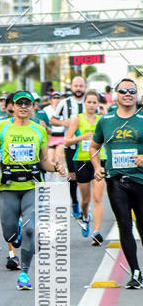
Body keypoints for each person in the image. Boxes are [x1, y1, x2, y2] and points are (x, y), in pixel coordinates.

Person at [0, 90, 65, 290]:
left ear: (33, 107)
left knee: (31, 229)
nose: (23, 106)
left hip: (32, 185)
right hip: (8, 186)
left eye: (27, 103)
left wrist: (56, 167)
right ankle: (17, 237)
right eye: (19, 103)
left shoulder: (39, 130)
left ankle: (24, 273)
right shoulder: (2, 128)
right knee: (10, 234)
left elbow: (44, 161)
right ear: (12, 107)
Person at [89, 78, 143, 288]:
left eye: (132, 90)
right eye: (123, 91)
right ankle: (136, 272)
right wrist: (97, 167)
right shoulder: (106, 120)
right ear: (115, 95)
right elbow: (94, 146)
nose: (128, 94)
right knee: (124, 225)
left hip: (140, 180)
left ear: (137, 94)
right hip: (116, 181)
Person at [64, 90, 106, 245]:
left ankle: (97, 232)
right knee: (86, 200)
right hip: (81, 162)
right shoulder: (77, 119)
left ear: (98, 104)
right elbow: (67, 142)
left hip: (100, 160)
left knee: (97, 198)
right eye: (89, 102)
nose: (92, 105)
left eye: (95, 102)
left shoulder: (103, 120)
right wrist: (82, 137)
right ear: (84, 103)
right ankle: (85, 216)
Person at [51, 76, 87, 217]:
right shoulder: (64, 103)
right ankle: (74, 202)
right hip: (71, 146)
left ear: (85, 87)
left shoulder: (89, 102)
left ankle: (86, 202)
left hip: (88, 147)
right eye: (76, 85)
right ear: (71, 87)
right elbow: (53, 120)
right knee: (73, 176)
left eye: (81, 86)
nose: (78, 88)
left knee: (87, 176)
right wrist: (65, 123)